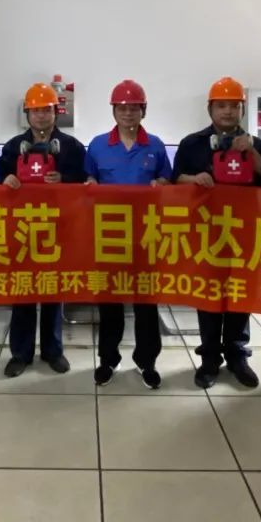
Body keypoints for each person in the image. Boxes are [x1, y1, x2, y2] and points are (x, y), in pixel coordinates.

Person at [173, 76, 261, 389]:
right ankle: (209, 359)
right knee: (207, 295)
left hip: (244, 233)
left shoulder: (256, 144)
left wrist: (253, 153)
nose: (228, 111)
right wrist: (194, 179)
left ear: (242, 109)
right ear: (210, 109)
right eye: (221, 105)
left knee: (239, 294)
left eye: (234, 106)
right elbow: (175, 179)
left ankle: (237, 355)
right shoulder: (192, 143)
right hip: (205, 233)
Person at [0, 82, 88, 378]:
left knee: (53, 290)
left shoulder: (72, 146)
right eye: (35, 110)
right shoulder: (13, 147)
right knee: (23, 291)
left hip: (58, 228)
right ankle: (20, 354)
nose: (40, 115)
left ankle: (53, 351)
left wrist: (64, 179)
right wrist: (7, 180)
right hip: (22, 228)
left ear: (55, 112)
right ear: (27, 113)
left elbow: (84, 182)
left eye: (46, 110)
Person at [86, 80, 171, 389]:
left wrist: (162, 184)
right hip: (108, 235)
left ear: (143, 111)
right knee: (109, 301)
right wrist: (90, 184)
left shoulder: (155, 145)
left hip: (146, 235)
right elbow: (88, 180)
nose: (127, 113)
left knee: (146, 302)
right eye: (122, 108)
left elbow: (168, 179)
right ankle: (108, 360)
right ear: (114, 111)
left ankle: (147, 361)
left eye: (134, 108)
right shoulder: (97, 145)